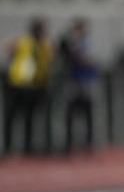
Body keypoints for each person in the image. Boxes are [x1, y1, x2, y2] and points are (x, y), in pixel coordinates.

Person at [3, 17, 54, 154]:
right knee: (12, 117)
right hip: (19, 84)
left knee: (30, 118)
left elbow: (48, 62)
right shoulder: (24, 41)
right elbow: (8, 49)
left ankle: (28, 147)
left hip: (35, 86)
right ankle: (8, 147)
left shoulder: (45, 45)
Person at [59, 18, 98, 153]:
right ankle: (69, 144)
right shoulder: (71, 43)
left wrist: (75, 53)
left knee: (88, 114)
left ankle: (88, 144)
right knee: (70, 113)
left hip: (86, 81)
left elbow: (86, 60)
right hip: (74, 81)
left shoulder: (87, 43)